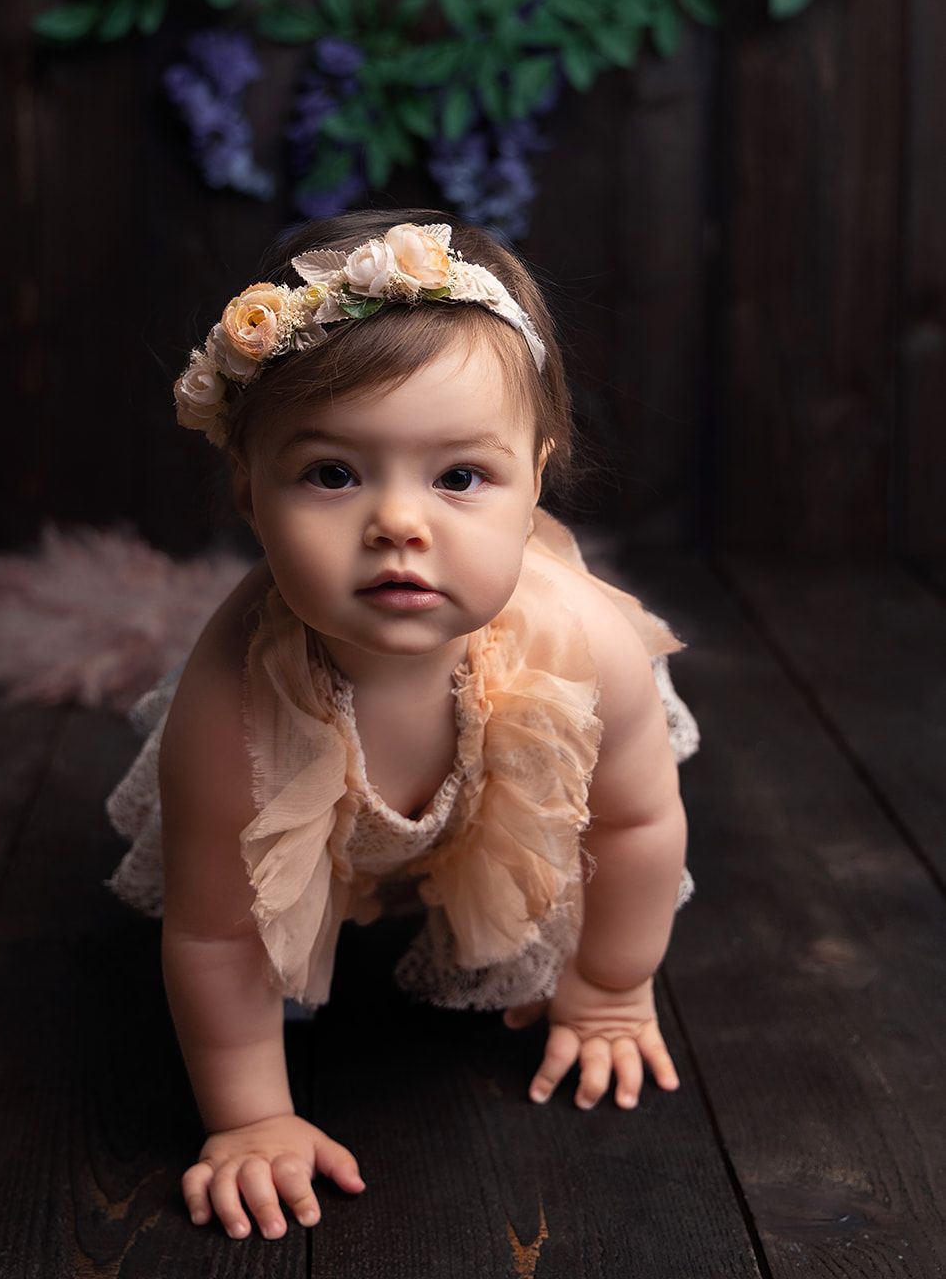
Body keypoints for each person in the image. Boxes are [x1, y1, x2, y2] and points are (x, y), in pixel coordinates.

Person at [104, 210, 700, 1243]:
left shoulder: (583, 647)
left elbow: (633, 827)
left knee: (554, 886)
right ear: (250, 491)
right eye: (331, 473)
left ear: (531, 487)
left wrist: (608, 988)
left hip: (505, 772)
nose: (398, 522)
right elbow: (212, 924)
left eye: (459, 476)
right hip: (294, 806)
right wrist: (251, 1117)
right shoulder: (231, 696)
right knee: (269, 950)